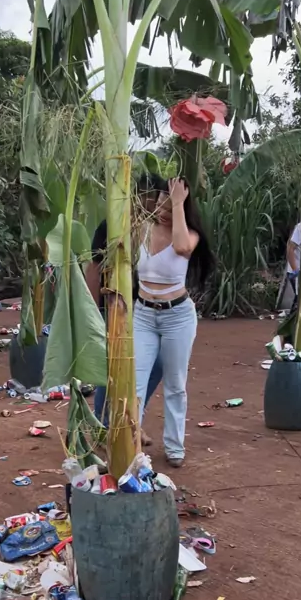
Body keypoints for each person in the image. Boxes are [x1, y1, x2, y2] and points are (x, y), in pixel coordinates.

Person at [134, 177, 215, 468]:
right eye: (160, 204)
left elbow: (181, 247)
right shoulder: (142, 230)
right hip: (142, 314)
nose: (163, 211)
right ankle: (128, 446)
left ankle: (174, 447)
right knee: (135, 383)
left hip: (177, 316)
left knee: (175, 384)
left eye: (169, 206)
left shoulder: (189, 235)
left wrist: (178, 202)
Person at [85, 175, 163, 444]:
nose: (155, 205)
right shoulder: (111, 226)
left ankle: (132, 419)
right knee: (112, 366)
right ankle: (104, 426)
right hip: (115, 306)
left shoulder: (158, 228)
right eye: (151, 198)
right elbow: (94, 268)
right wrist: (93, 312)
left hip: (149, 308)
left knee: (157, 363)